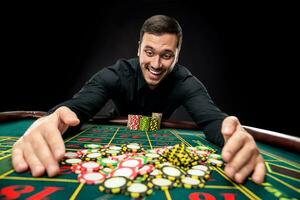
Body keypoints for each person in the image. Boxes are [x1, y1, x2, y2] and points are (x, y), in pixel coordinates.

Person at [12, 15, 266, 184]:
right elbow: (76, 107)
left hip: (159, 131)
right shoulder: (116, 74)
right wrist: (53, 117)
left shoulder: (186, 82)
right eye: (149, 52)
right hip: (117, 127)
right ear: (138, 49)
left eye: (166, 55)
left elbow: (212, 119)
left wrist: (231, 134)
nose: (156, 64)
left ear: (177, 55)